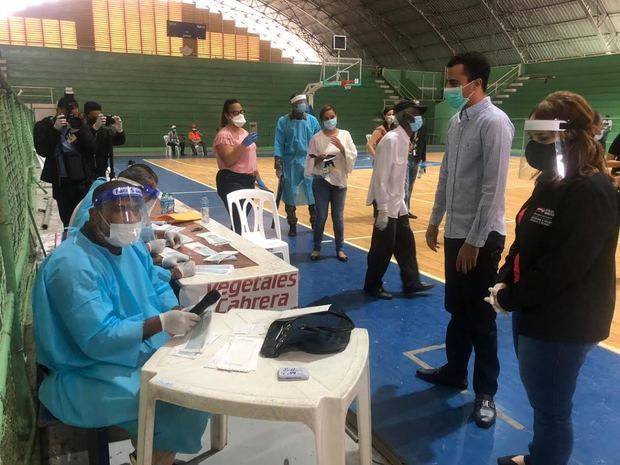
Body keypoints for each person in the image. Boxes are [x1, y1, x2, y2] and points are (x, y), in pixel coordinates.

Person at [33, 181, 210, 465]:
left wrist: (174, 308)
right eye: (118, 210)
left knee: (197, 381)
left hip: (134, 353)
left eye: (133, 210)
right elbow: (98, 338)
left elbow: (156, 284)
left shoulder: (131, 247)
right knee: (174, 399)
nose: (128, 219)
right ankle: (154, 454)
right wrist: (162, 322)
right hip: (84, 372)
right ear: (95, 214)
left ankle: (151, 453)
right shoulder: (72, 265)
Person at [487, 92, 618, 465]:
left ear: (570, 135)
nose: (533, 146)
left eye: (543, 137)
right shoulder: (553, 181)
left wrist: (512, 297)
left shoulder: (593, 191)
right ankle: (539, 456)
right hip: (534, 309)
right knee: (541, 398)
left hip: (564, 320)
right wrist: (503, 276)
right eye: (533, 136)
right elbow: (527, 236)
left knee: (551, 407)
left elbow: (566, 266)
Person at [418, 52, 514, 429]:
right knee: (458, 310)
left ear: (476, 83)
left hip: (482, 237)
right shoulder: (459, 123)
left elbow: (492, 188)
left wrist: (475, 240)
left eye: (455, 82)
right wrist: (434, 221)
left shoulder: (495, 123)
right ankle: (454, 370)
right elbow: (446, 178)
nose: (450, 89)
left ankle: (485, 393)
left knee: (482, 317)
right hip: (457, 233)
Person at [68, 164, 194, 280]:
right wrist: (167, 268)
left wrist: (161, 234)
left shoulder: (104, 199)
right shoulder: (95, 216)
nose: (134, 215)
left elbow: (120, 231)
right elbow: (120, 268)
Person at [363, 99, 434, 300]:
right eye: (415, 113)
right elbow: (380, 176)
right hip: (385, 202)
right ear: (405, 117)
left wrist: (401, 203)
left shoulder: (404, 140)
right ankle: (372, 285)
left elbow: (398, 178)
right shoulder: (391, 140)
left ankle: (411, 282)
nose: (419, 117)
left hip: (397, 201)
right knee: (382, 248)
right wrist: (383, 209)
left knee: (406, 244)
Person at [34, 94, 97, 228]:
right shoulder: (44, 126)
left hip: (84, 181)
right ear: (58, 111)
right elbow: (43, 151)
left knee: (87, 220)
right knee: (68, 222)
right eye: (67, 113)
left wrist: (78, 131)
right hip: (62, 183)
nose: (70, 117)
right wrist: (55, 130)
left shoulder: (80, 126)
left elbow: (92, 149)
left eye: (74, 113)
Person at [304, 105, 357, 262]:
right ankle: (316, 248)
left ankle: (340, 248)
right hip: (321, 181)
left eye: (332, 117)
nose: (330, 120)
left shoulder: (345, 135)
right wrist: (318, 159)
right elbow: (309, 159)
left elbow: (353, 154)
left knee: (338, 217)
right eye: (326, 118)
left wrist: (342, 148)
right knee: (321, 216)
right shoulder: (316, 138)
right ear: (321, 120)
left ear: (336, 116)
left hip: (339, 182)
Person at [274, 94, 320, 237]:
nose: (303, 105)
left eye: (304, 102)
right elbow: (278, 143)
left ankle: (315, 222)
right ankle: (292, 224)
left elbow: (320, 140)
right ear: (293, 105)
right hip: (290, 163)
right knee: (290, 194)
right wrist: (278, 164)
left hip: (309, 161)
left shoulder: (312, 121)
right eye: (300, 103)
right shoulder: (283, 121)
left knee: (312, 194)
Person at [213, 99, 260, 234]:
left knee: (241, 220)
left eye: (241, 111)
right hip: (231, 180)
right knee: (239, 220)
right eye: (235, 112)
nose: (240, 115)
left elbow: (251, 159)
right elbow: (228, 160)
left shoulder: (245, 133)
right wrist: (243, 144)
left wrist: (258, 178)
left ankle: (234, 245)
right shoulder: (223, 135)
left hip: (248, 180)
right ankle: (238, 249)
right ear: (227, 115)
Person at [83, 101, 125, 178]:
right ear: (87, 115)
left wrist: (119, 130)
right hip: (84, 172)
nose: (97, 119)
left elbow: (119, 141)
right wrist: (94, 128)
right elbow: (85, 144)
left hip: (101, 171)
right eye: (95, 117)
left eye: (100, 117)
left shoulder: (104, 131)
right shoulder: (81, 129)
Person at [404, 104, 428, 219]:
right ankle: (402, 210)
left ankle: (406, 209)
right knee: (405, 185)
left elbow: (423, 144)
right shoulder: (406, 127)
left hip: (416, 159)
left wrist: (423, 161)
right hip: (405, 158)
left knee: (410, 186)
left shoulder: (422, 127)